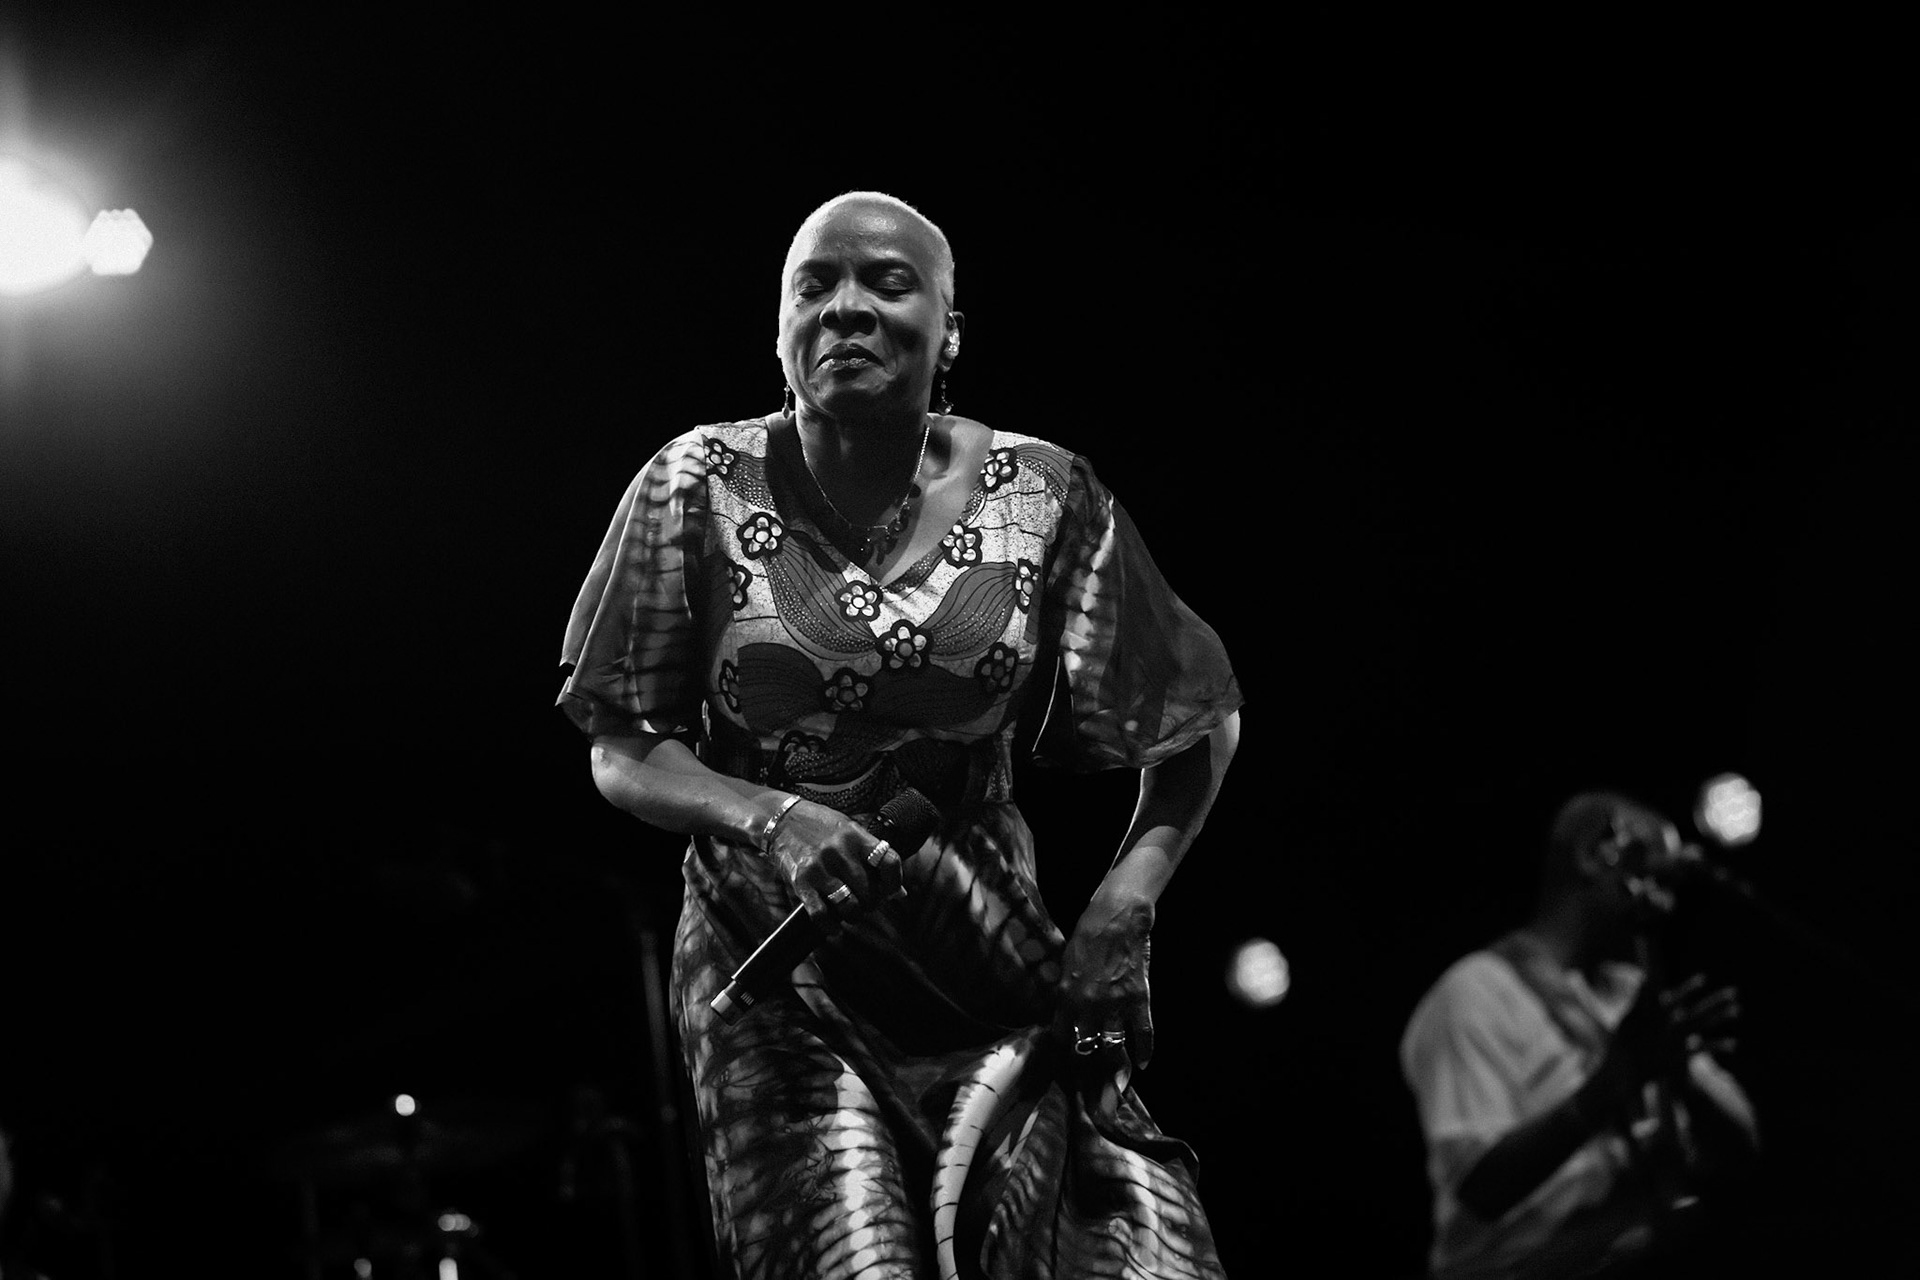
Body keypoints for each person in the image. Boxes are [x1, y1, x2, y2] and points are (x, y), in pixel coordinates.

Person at [556, 191, 1243, 1280]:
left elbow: (1197, 719)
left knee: (1129, 1243)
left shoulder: (1043, 494)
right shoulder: (694, 484)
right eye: (814, 286)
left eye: (887, 282)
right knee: (851, 1253)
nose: (846, 310)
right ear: (780, 330)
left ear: (950, 329)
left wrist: (1125, 903)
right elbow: (619, 743)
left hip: (985, 950)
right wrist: (772, 818)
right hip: (776, 965)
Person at [1399, 792, 1760, 1280]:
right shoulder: (1472, 992)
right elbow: (1480, 1187)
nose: (1667, 903)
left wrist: (1681, 1075)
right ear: (1593, 855)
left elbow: (1744, 1149)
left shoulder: (1628, 992)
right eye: (1653, 877)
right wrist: (1612, 1083)